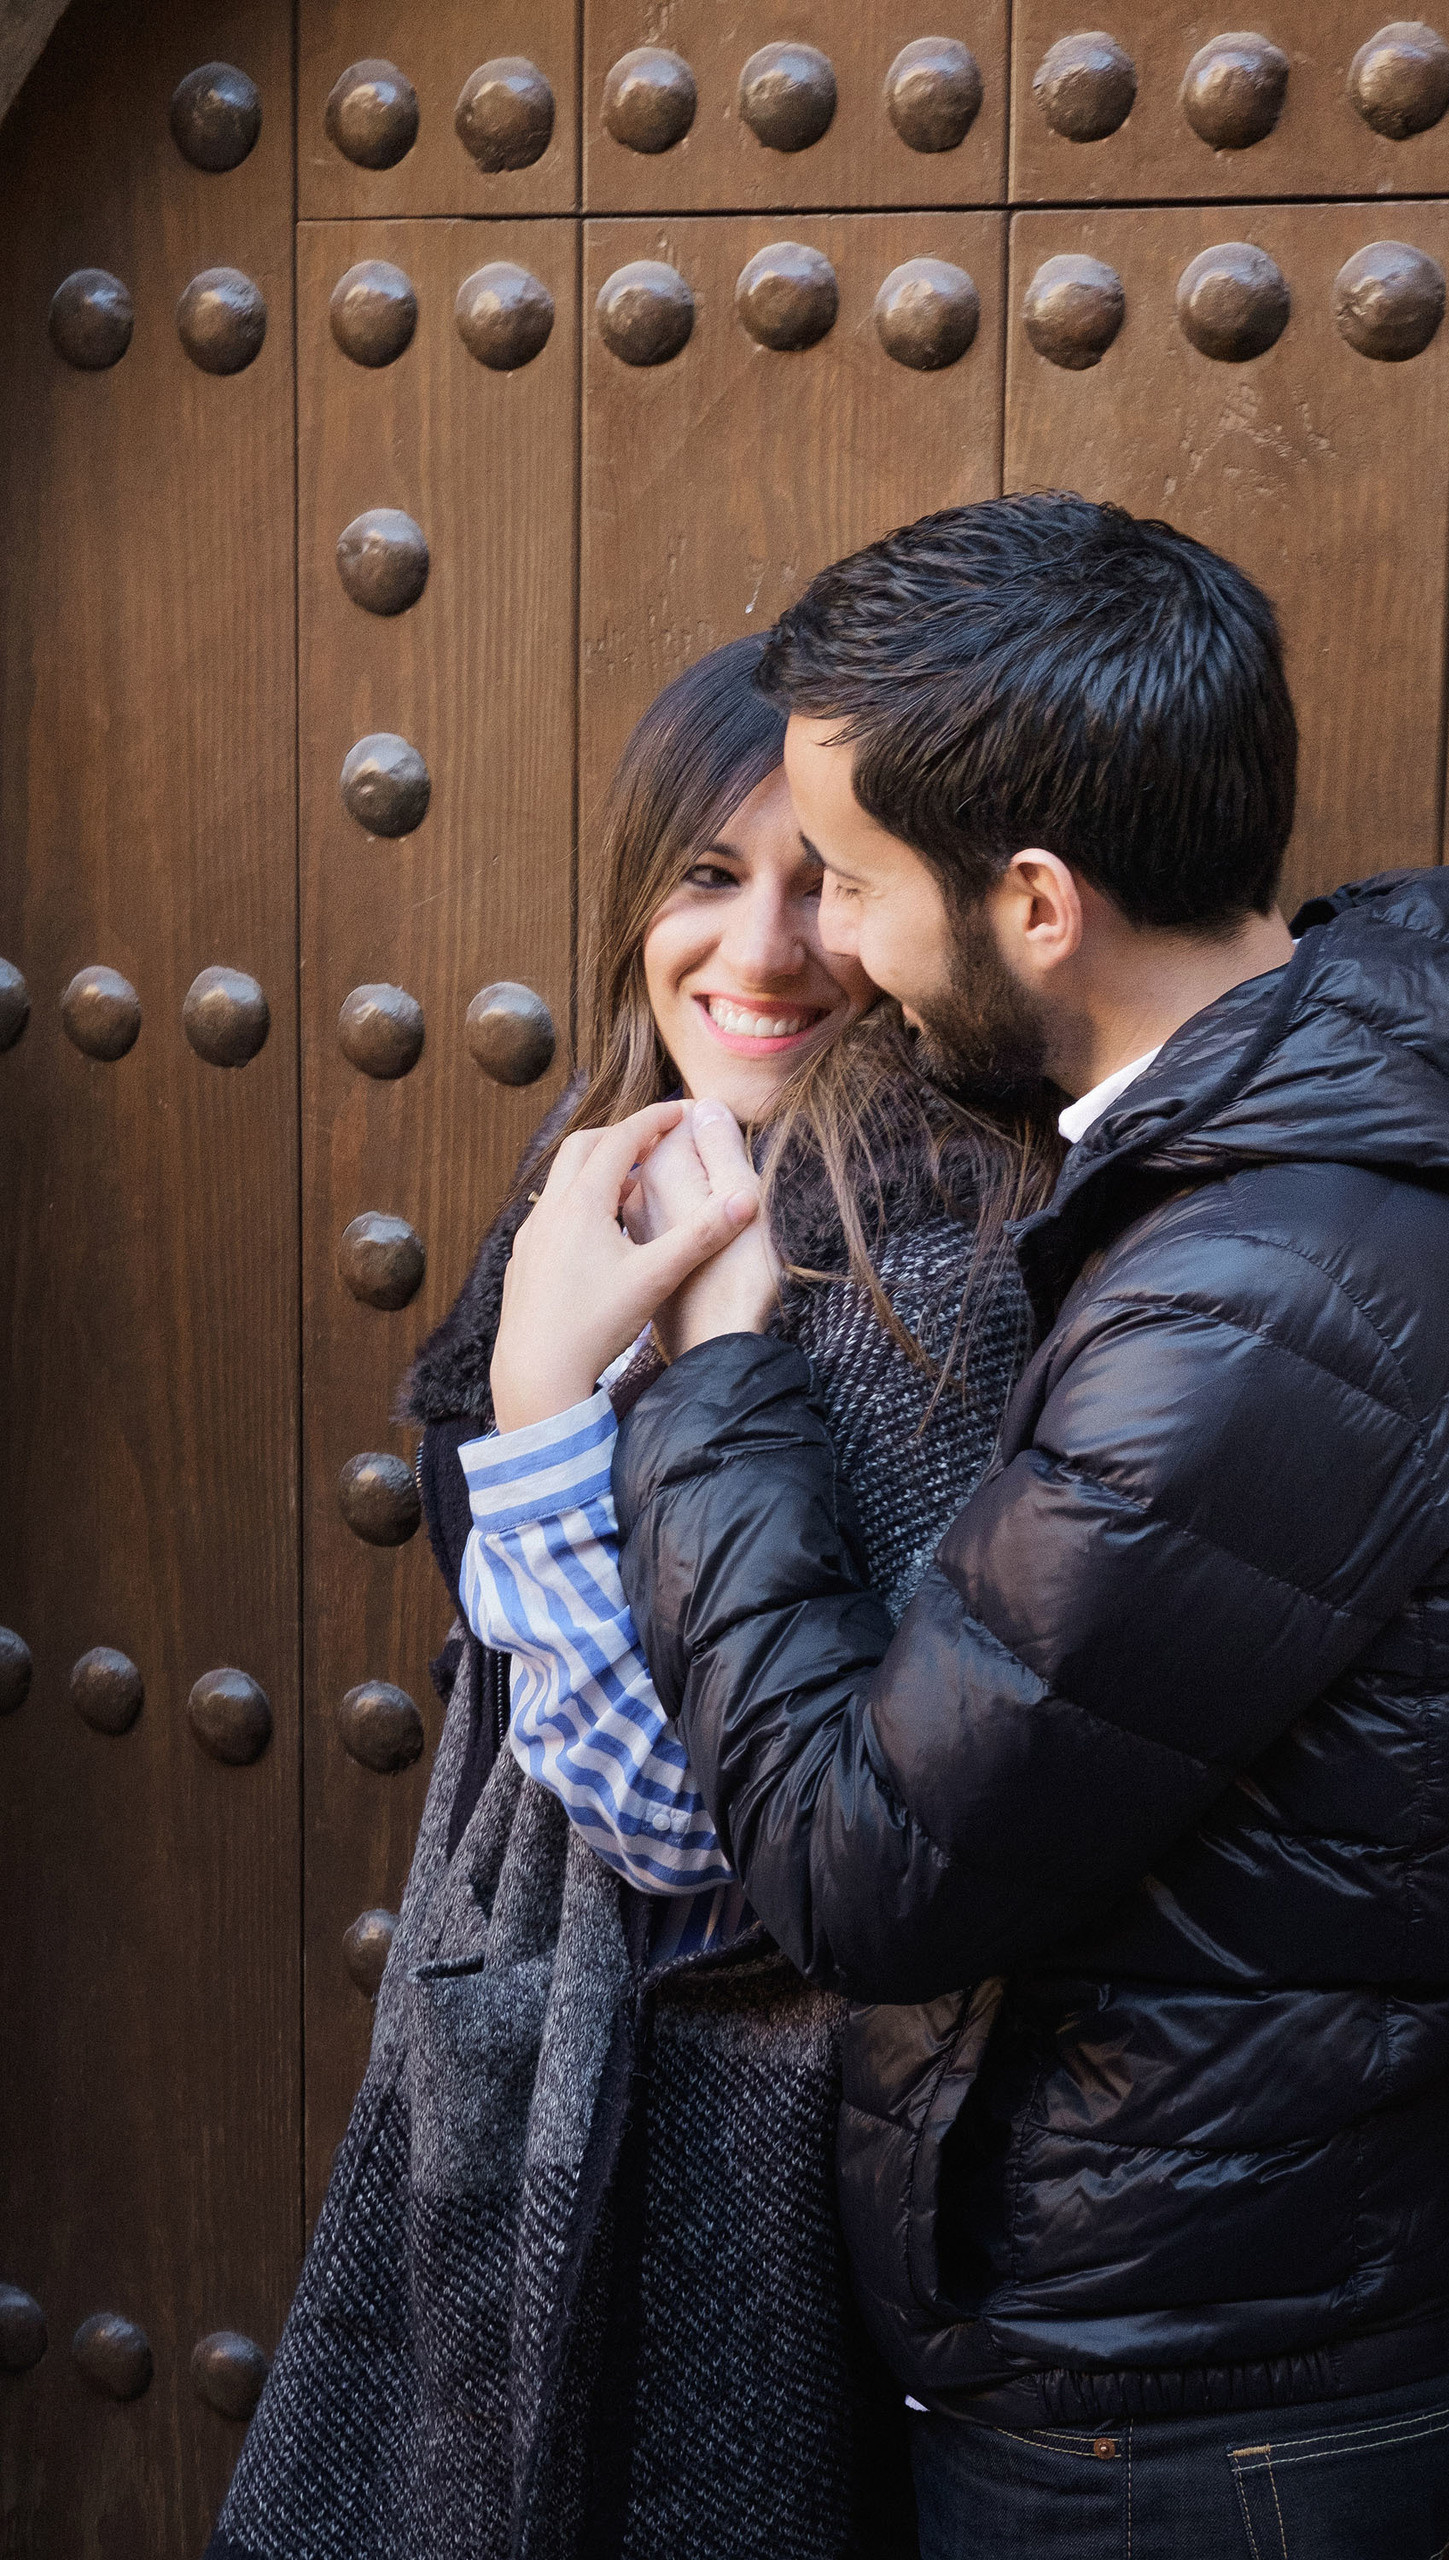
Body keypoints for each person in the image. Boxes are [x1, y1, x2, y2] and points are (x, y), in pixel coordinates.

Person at [507, 496, 1449, 2559]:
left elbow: (864, 1863)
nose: (817, 943)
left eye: (845, 878)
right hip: (1174, 2361)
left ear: (1030, 900)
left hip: (1177, 2425)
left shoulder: (1256, 1294)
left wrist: (709, 1369)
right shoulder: (1256, 1184)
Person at [206, 637, 1056, 2560]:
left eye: (827, 885)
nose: (760, 953)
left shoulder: (941, 1259)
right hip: (562, 2082)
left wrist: (535, 1425)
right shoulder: (590, 1191)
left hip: (762, 2171)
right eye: (705, 877)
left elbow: (711, 1835)